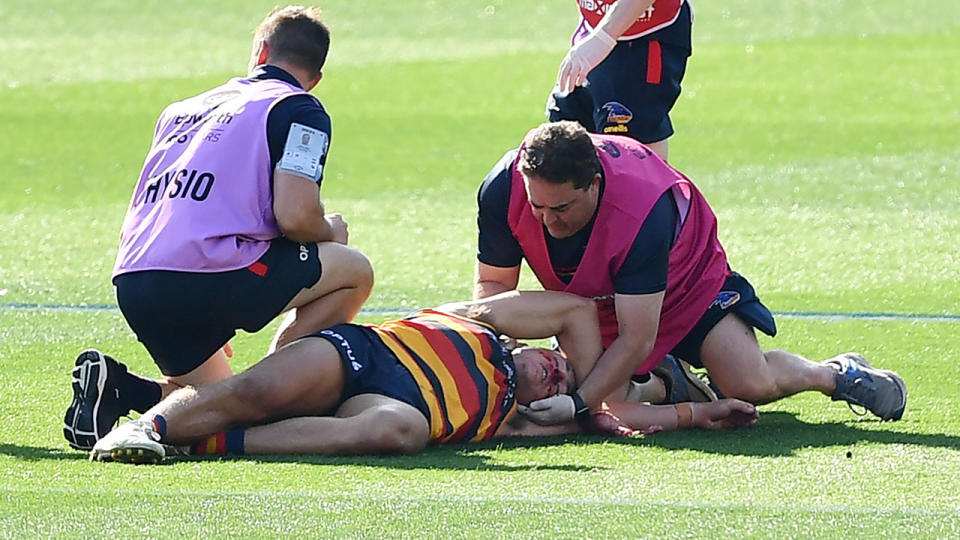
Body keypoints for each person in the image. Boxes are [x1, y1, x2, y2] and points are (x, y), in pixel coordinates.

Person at [63, 6, 374, 451]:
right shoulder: (300, 108)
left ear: (259, 51)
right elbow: (296, 217)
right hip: (214, 274)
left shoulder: (181, 109)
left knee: (210, 411)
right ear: (317, 77)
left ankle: (123, 390)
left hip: (138, 280)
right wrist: (331, 230)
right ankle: (282, 383)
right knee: (354, 270)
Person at [475, 121, 908, 427]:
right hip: (591, 302)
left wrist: (578, 405)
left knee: (748, 384)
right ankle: (666, 381)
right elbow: (493, 291)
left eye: (562, 209)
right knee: (607, 395)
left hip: (686, 289)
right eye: (538, 208)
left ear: (593, 183)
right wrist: (495, 356)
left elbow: (636, 337)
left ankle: (833, 374)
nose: (547, 221)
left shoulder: (641, 209)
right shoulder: (504, 187)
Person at [88, 290, 759, 463]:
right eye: (555, 358)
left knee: (399, 430)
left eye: (557, 381)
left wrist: (700, 413)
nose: (554, 368)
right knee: (259, 391)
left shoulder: (515, 419)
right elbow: (576, 311)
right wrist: (585, 378)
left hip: (391, 403)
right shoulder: (479, 321)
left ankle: (187, 438)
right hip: (367, 356)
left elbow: (617, 419)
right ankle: (149, 421)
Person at [548, 0, 693, 160]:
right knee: (566, 137)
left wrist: (603, 37)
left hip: (644, 30)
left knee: (626, 144)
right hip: (594, 24)